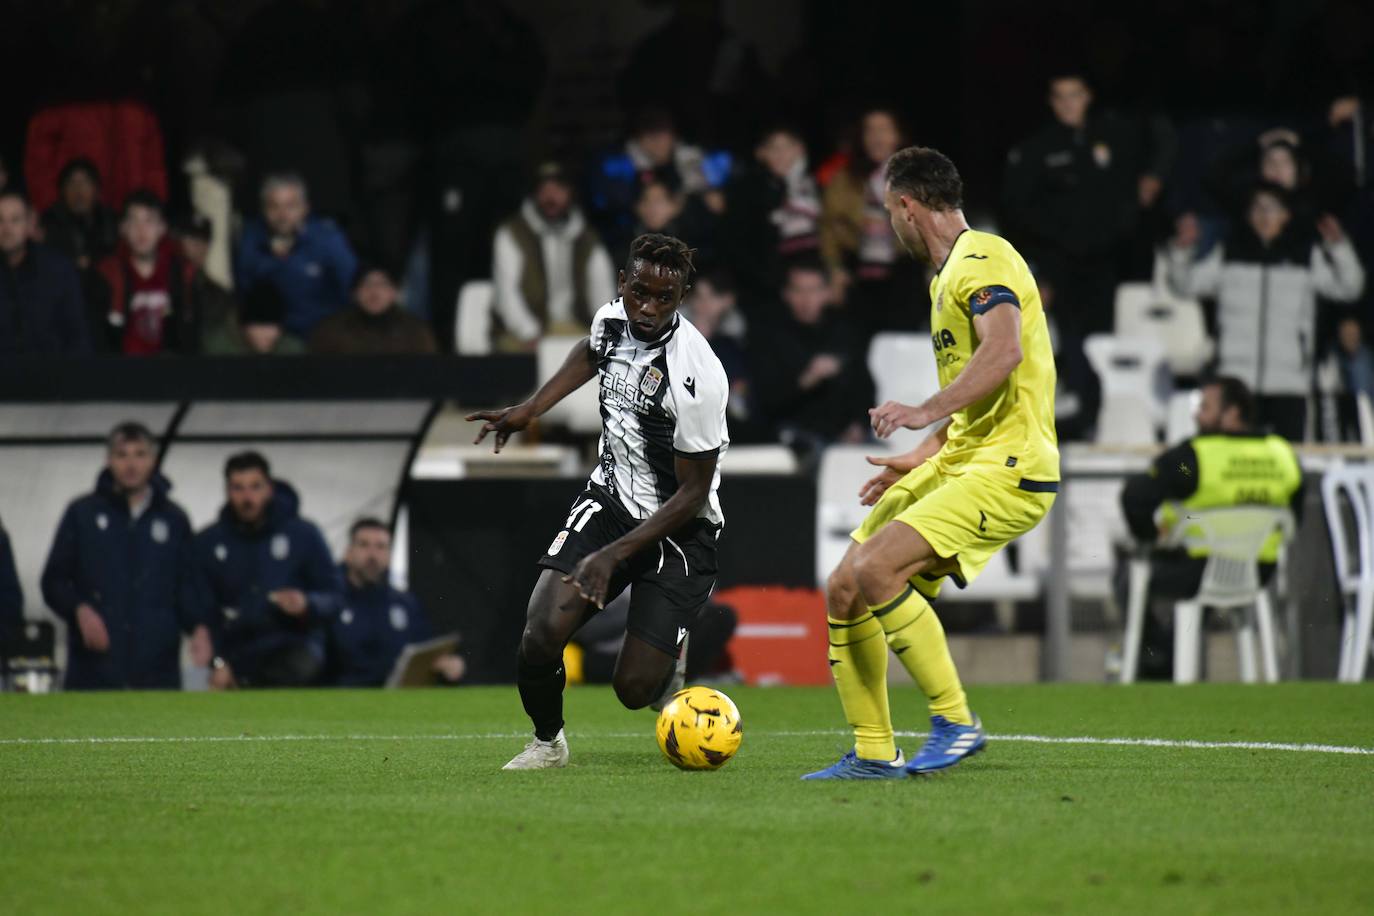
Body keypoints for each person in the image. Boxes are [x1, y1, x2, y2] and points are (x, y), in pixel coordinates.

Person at [803, 147, 1059, 779]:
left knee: (876, 567)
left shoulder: (984, 257)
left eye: (890, 212)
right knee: (844, 587)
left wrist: (923, 410)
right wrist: (921, 454)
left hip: (1009, 466)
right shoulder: (946, 278)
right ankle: (872, 752)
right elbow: (981, 398)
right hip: (964, 457)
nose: (890, 225)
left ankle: (955, 719)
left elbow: (1002, 354)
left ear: (907, 206)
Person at [467, 233, 729, 770]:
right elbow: (591, 351)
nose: (649, 309)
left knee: (633, 690)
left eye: (664, 298)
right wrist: (532, 407)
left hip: (680, 532)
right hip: (608, 501)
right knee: (540, 634)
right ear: (622, 285)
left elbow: (693, 492)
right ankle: (548, 743)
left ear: (682, 298)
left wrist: (615, 556)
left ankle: (667, 665)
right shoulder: (611, 319)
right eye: (640, 293)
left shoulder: (697, 376)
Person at [1002, 73, 1164, 438]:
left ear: (1087, 97)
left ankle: (1095, 415)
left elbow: (1130, 195)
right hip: (1057, 265)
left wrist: (1122, 234)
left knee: (1101, 340)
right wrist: (1037, 270)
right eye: (1060, 97)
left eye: (1074, 95)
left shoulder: (1113, 140)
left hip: (1105, 262)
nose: (1068, 104)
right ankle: (1061, 417)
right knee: (1061, 339)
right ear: (1051, 102)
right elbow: (1019, 212)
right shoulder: (1037, 149)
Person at [1117, 377, 1304, 679]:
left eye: (1205, 406)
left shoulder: (1192, 459)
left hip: (1196, 570)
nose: (1196, 414)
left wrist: (1150, 538)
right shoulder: (1282, 454)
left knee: (1131, 575)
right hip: (1258, 573)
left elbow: (1134, 496)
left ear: (1232, 413)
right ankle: (1168, 655)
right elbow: (1294, 517)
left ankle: (1156, 663)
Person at [1164, 185, 1365, 441]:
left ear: (1286, 215)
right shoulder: (1230, 253)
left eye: (1271, 208)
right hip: (1237, 383)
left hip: (1289, 383)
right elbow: (1184, 285)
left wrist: (1339, 247)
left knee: (1284, 460)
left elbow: (1350, 287)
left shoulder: (1304, 255)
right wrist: (1182, 251)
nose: (1264, 215)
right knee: (1232, 458)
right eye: (1257, 208)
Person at [40, 422, 211, 690]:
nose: (131, 464)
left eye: (140, 454)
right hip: (94, 666)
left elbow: (187, 586)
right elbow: (54, 581)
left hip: (157, 669)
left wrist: (199, 627)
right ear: (109, 460)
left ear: (153, 460)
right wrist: (79, 609)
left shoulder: (174, 518)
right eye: (122, 455)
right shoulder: (82, 513)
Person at [194, 451, 343, 688]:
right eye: (238, 488)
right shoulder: (209, 542)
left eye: (255, 487)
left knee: (300, 665)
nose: (247, 497)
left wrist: (307, 603)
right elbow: (205, 610)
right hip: (237, 654)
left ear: (270, 489)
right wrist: (218, 662)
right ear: (227, 491)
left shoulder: (304, 535)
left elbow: (335, 596)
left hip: (294, 646)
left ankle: (246, 683)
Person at [491, 163, 616, 349]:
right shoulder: (512, 234)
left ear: (570, 194)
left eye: (558, 190)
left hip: (574, 328)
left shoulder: (587, 239)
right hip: (522, 333)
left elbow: (602, 293)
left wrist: (603, 333)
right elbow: (506, 294)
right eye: (544, 190)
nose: (551, 197)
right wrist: (530, 333)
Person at [326, 518, 463, 687]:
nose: (372, 555)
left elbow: (426, 649)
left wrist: (446, 664)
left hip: (395, 701)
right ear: (348, 552)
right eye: (364, 545)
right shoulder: (328, 600)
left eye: (381, 547)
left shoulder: (406, 604)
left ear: (390, 554)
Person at [750, 258, 870, 450]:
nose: (806, 299)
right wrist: (807, 379)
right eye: (799, 291)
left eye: (814, 290)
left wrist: (859, 424)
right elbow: (765, 403)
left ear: (827, 293)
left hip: (845, 435)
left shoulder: (843, 332)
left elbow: (864, 387)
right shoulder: (768, 337)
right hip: (794, 434)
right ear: (786, 294)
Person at [819, 108, 920, 334]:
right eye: (870, 131)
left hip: (904, 274)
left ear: (898, 136)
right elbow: (829, 227)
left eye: (884, 130)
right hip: (859, 276)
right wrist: (835, 269)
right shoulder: (844, 178)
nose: (876, 137)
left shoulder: (915, 177)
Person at [235, 172, 358, 338]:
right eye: (273, 207)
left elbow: (353, 288)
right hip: (273, 341)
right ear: (263, 210)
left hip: (323, 336)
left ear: (305, 208)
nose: (282, 215)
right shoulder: (252, 238)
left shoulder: (328, 239)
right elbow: (245, 291)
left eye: (290, 206)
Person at [722, 124, 820, 306]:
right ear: (761, 153)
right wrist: (771, 282)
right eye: (774, 148)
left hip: (811, 288)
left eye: (788, 147)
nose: (782, 155)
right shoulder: (746, 192)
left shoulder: (814, 187)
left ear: (800, 150)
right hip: (765, 292)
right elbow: (737, 247)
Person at [95, 190, 199, 355]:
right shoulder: (108, 274)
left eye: (149, 221)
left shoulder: (182, 273)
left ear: (162, 228)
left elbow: (191, 337)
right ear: (123, 228)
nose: (141, 230)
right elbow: (100, 339)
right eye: (133, 221)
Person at [0, 189, 91, 355]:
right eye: (0, 220)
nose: (6, 229)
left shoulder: (58, 270)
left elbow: (76, 334)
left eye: (15, 220)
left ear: (29, 224)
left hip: (51, 375)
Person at [309, 263, 437, 355]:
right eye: (366, 284)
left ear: (394, 293)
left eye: (382, 284)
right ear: (354, 293)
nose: (374, 292)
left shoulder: (416, 332)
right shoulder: (330, 331)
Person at [40, 158, 117, 273]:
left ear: (96, 189)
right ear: (62, 191)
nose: (78, 191)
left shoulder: (109, 219)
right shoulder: (49, 221)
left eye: (85, 183)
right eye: (71, 183)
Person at [175, 212, 237, 345]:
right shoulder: (165, 283)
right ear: (179, 241)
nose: (198, 246)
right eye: (191, 238)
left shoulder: (219, 294)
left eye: (203, 240)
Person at [202, 281, 306, 356]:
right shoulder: (217, 350)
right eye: (262, 325)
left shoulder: (292, 352)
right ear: (243, 325)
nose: (270, 334)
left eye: (275, 326)